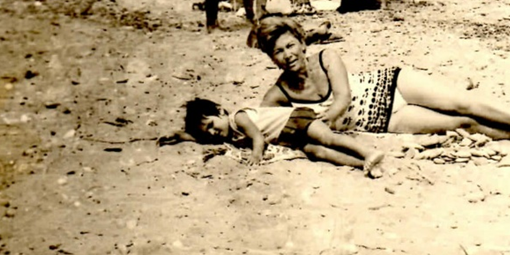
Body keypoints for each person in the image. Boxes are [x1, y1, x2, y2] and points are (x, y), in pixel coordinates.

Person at [256, 16, 510, 148]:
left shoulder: (326, 57)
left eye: (289, 45)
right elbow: (262, 122)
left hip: (391, 85)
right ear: (272, 58)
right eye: (278, 51)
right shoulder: (278, 94)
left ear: (301, 42)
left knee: (462, 102)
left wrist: (323, 121)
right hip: (382, 120)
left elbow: (342, 98)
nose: (287, 55)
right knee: (462, 124)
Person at [159, 98, 386, 178]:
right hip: (289, 136)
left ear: (220, 111)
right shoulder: (223, 135)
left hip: (295, 120)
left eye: (210, 125)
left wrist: (256, 155)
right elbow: (201, 139)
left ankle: (368, 152)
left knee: (327, 138)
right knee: (318, 153)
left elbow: (258, 138)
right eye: (206, 131)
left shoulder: (237, 118)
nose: (211, 132)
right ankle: (362, 165)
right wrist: (180, 135)